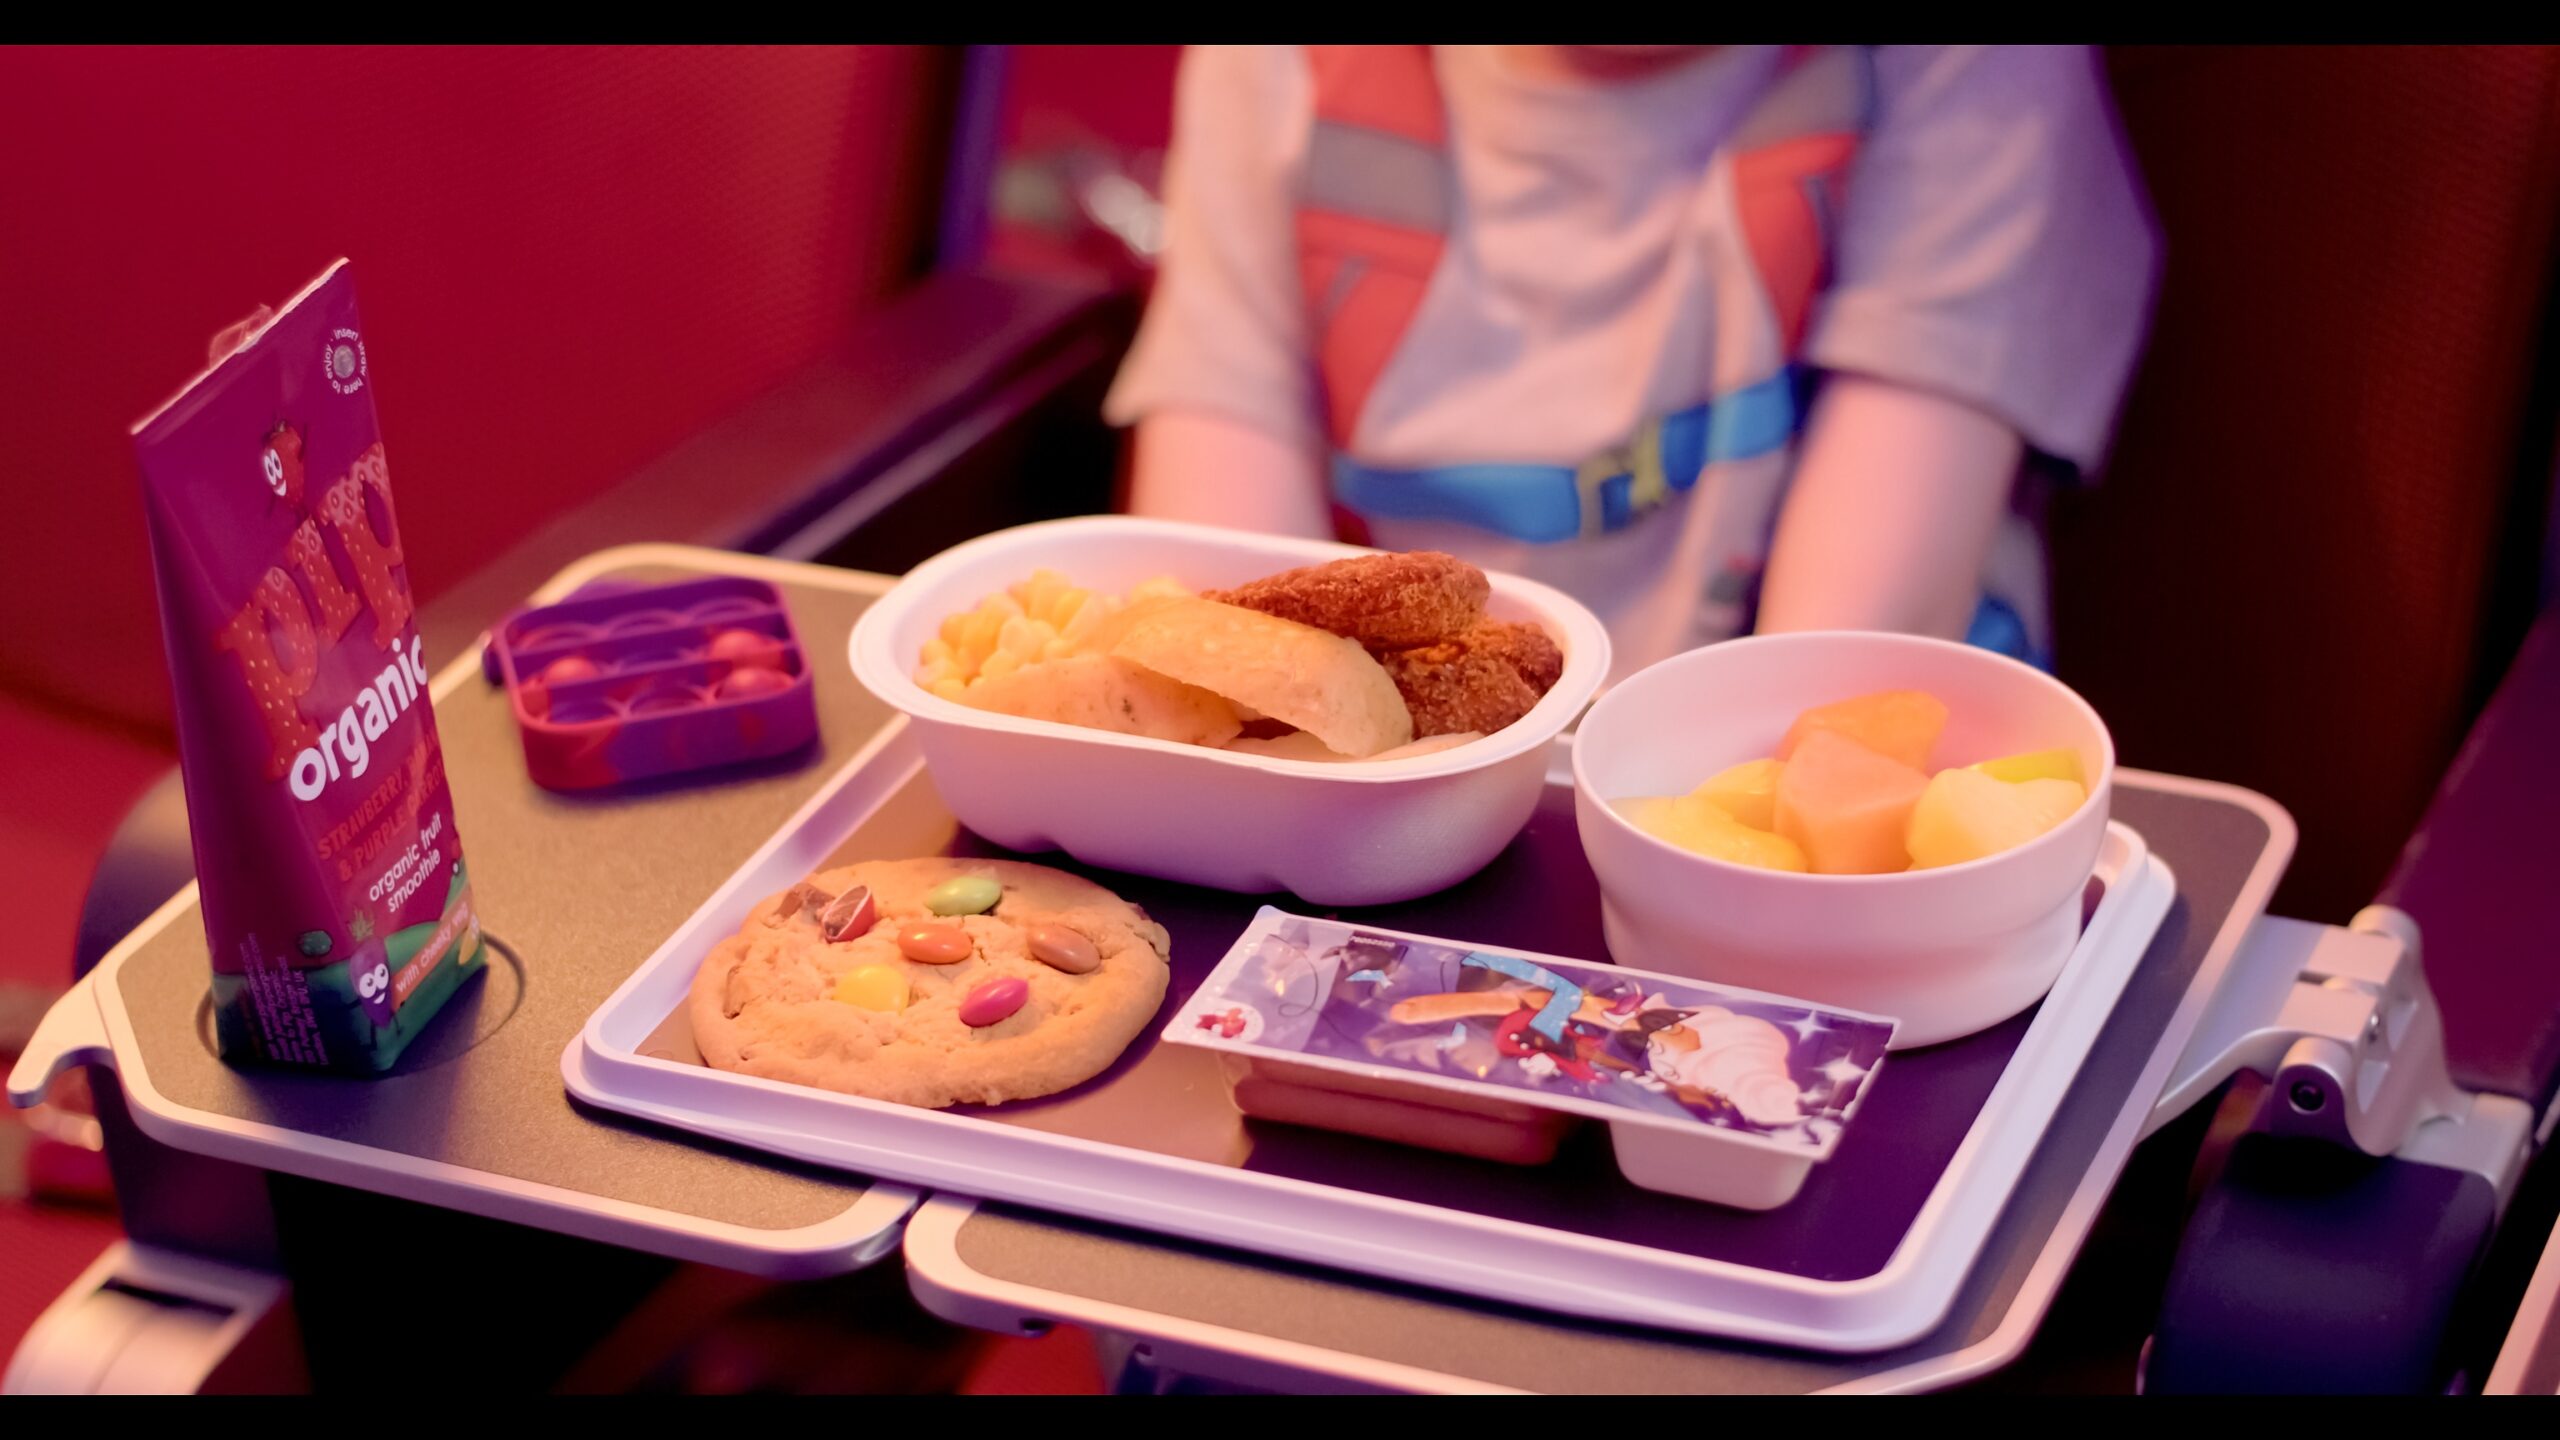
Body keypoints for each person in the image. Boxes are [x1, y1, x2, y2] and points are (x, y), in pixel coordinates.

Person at [1105, 45, 2158, 678]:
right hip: (1409, 783)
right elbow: (1229, 621)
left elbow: (1839, 664)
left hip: (1800, 790)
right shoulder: (1281, 67)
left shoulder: (1970, 70)